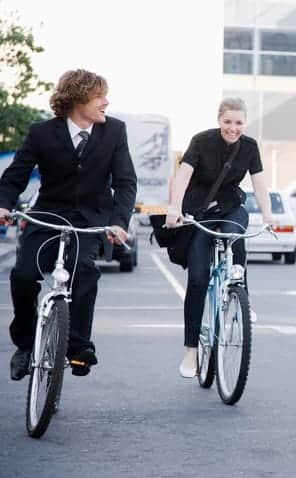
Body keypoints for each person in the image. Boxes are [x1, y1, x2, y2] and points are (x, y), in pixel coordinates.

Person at [0, 69, 137, 379]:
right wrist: (4, 204)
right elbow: (15, 176)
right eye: (99, 96)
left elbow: (126, 183)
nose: (106, 102)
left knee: (84, 270)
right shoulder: (41, 133)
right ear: (78, 100)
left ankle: (78, 347)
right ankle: (24, 345)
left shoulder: (115, 131)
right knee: (23, 275)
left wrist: (119, 223)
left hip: (90, 219)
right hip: (47, 216)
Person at [165, 97, 274, 378]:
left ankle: (240, 293)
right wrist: (175, 208)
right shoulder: (201, 141)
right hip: (199, 211)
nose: (233, 128)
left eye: (239, 123)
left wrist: (268, 216)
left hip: (229, 206)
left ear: (245, 123)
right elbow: (183, 175)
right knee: (198, 278)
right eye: (228, 122)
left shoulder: (249, 147)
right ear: (219, 120)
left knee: (235, 234)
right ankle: (191, 351)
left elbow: (260, 183)